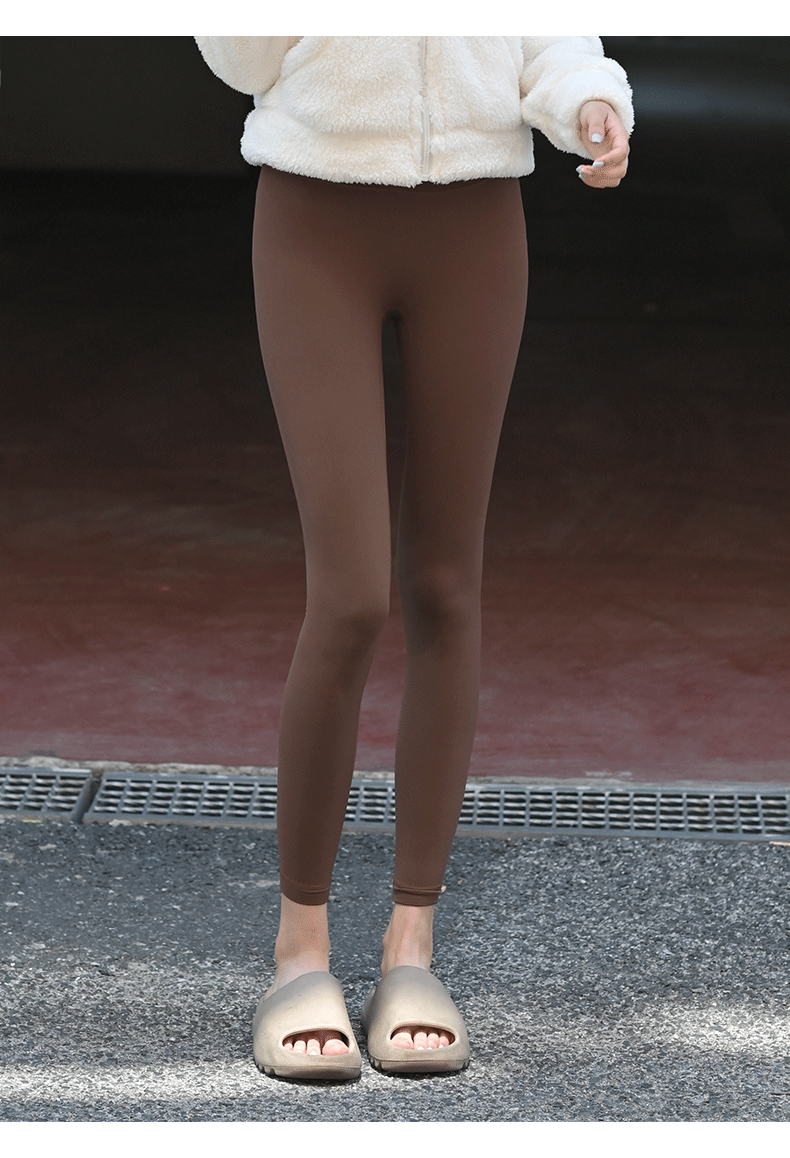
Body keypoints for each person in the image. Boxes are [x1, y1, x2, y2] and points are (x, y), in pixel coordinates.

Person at [195, 34, 633, 1080]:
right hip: (316, 212)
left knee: (445, 586)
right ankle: (299, 951)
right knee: (349, 595)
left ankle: (411, 947)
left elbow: (553, 35)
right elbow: (238, 55)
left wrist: (587, 100)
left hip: (476, 222)